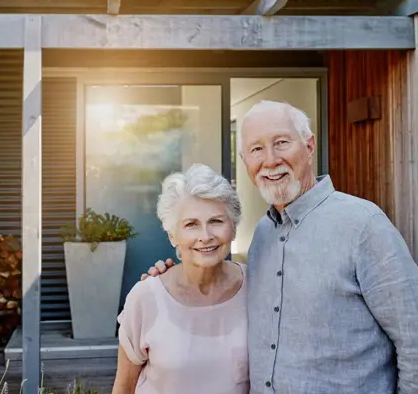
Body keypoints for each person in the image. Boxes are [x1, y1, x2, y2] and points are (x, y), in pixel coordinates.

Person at [145, 100, 418, 394]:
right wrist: (173, 281)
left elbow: (413, 337)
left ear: (309, 147)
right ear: (245, 161)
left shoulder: (364, 225)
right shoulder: (263, 234)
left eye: (282, 143)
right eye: (256, 149)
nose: (271, 160)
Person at [112, 163, 249, 394]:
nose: (205, 236)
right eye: (191, 224)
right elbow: (124, 388)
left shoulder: (258, 287)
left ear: (233, 229)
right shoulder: (145, 298)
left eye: (216, 221)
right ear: (173, 235)